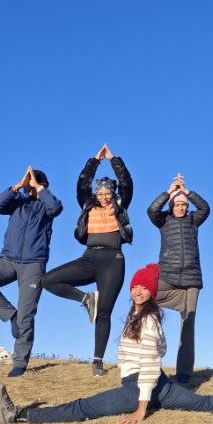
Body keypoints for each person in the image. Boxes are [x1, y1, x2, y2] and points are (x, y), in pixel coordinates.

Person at [0, 263, 213, 424]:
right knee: (205, 404)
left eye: (144, 287)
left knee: (83, 407)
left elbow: (152, 361)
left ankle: (15, 416)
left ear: (152, 292)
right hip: (157, 386)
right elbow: (155, 353)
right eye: (136, 286)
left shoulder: (149, 319)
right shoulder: (137, 315)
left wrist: (141, 407)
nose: (138, 291)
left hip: (142, 385)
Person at [42, 143, 133, 377]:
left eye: (107, 193)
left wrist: (114, 160)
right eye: (100, 193)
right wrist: (94, 160)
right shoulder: (87, 204)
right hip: (89, 258)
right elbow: (82, 182)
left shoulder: (120, 204)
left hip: (113, 260)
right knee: (49, 280)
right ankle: (85, 299)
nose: (103, 197)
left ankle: (97, 361)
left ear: (113, 193)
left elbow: (127, 182)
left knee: (104, 312)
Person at [0, 166, 63, 377]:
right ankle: (11, 315)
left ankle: (20, 362)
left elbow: (56, 208)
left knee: (27, 313)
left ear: (43, 186)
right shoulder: (17, 202)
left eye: (36, 184)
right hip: (8, 261)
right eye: (30, 184)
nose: (31, 188)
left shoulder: (47, 206)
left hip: (34, 265)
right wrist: (17, 187)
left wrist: (39, 188)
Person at [147, 173, 210, 384]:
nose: (181, 207)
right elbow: (152, 210)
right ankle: (149, 356)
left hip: (192, 278)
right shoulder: (163, 220)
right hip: (168, 274)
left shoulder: (193, 221)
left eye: (184, 204)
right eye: (177, 204)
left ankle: (184, 373)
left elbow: (205, 208)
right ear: (172, 206)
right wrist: (169, 192)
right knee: (147, 297)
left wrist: (187, 192)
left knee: (188, 323)